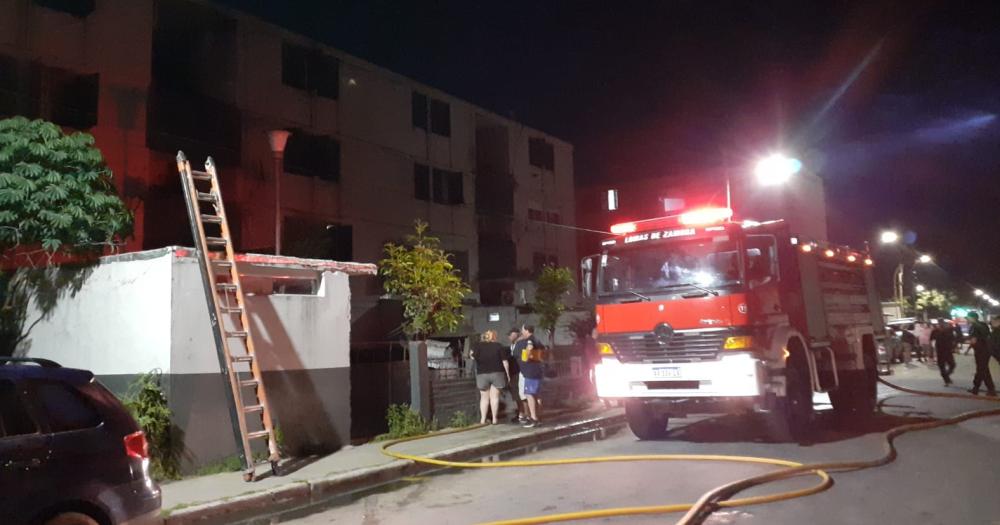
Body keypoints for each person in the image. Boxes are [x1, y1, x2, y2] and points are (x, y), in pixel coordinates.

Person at [470, 330, 510, 424]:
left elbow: (472, 357)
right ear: (494, 337)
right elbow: (505, 362)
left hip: (482, 374)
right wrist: (507, 374)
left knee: (484, 398)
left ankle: (483, 419)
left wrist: (473, 353)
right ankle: (495, 419)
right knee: (494, 397)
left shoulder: (477, 346)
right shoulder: (498, 346)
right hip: (497, 373)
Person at [514, 325, 545, 428]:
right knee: (537, 395)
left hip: (530, 372)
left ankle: (534, 419)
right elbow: (543, 352)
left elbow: (529, 347)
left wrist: (525, 358)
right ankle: (538, 417)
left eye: (522, 330)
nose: (522, 332)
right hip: (537, 371)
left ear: (527, 330)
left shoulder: (529, 340)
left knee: (529, 394)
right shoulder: (537, 340)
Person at [965, 312, 996, 396]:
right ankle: (988, 389)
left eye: (967, 317)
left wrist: (968, 346)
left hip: (980, 351)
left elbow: (973, 340)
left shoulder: (974, 326)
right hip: (987, 350)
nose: (966, 319)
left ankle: (978, 388)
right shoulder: (983, 325)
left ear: (972, 318)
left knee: (981, 369)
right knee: (984, 369)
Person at [505, 328, 527, 423]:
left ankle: (524, 414)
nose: (509, 336)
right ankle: (521, 413)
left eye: (510, 334)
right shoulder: (512, 346)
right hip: (514, 373)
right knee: (517, 395)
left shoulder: (521, 344)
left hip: (520, 372)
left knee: (521, 395)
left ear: (516, 334)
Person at [930, 319, 957, 385]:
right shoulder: (935, 331)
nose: (941, 324)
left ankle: (946, 375)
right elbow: (932, 339)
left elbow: (953, 339)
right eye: (940, 323)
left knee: (952, 364)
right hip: (940, 350)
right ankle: (946, 379)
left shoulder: (949, 330)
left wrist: (953, 347)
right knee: (942, 366)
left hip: (947, 350)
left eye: (942, 323)